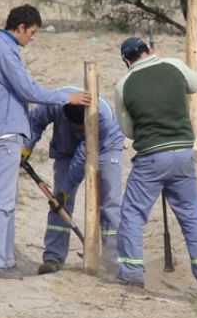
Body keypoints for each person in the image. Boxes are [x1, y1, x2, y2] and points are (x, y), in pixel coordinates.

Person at [0, 4, 91, 280]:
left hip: (4, 131)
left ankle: (4, 260)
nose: (33, 37)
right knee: (0, 200)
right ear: (20, 27)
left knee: (8, 201)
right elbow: (29, 90)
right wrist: (67, 98)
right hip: (5, 132)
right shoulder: (4, 50)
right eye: (32, 32)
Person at [113, 37, 197, 291]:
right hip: (183, 153)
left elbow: (128, 130)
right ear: (149, 50)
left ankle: (132, 272)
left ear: (126, 61)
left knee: (133, 214)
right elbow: (194, 84)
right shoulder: (173, 65)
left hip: (151, 157)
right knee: (191, 212)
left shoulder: (123, 84)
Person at [23, 86, 125, 274]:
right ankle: (53, 257)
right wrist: (26, 147)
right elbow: (34, 121)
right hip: (66, 147)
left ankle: (113, 261)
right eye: (78, 127)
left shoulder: (101, 117)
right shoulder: (55, 103)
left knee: (110, 203)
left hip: (106, 146)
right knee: (58, 203)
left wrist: (66, 190)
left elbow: (81, 159)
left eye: (82, 127)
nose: (80, 130)